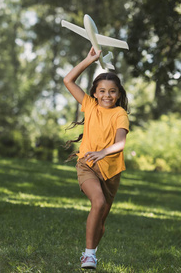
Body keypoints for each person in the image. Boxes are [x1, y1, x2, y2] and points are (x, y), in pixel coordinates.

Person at [63, 47, 129, 269]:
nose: (106, 95)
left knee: (101, 224)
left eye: (112, 91)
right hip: (88, 165)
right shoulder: (90, 106)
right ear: (94, 93)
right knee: (98, 202)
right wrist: (89, 60)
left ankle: (91, 250)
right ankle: (89, 256)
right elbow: (68, 80)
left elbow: (120, 143)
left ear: (118, 94)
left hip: (111, 171)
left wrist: (103, 152)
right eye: (102, 91)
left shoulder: (120, 114)